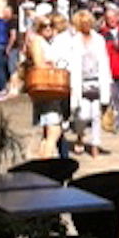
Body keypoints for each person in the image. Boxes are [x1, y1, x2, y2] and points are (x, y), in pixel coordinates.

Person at [67, 9, 112, 157]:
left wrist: (107, 81)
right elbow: (71, 63)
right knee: (82, 115)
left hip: (97, 80)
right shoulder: (74, 41)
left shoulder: (99, 39)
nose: (86, 25)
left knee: (96, 115)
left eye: (88, 22)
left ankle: (95, 144)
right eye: (83, 23)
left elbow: (104, 61)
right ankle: (80, 136)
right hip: (81, 82)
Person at [25, 14, 67, 158]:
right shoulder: (37, 41)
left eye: (51, 25)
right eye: (44, 26)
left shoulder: (51, 41)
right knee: (54, 129)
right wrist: (52, 66)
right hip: (46, 86)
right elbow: (39, 63)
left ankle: (44, 157)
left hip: (52, 88)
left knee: (49, 130)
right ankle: (46, 157)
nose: (48, 28)